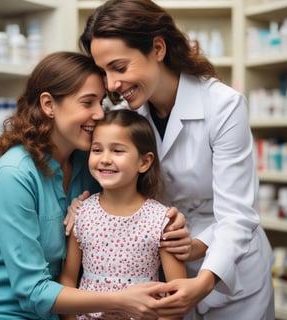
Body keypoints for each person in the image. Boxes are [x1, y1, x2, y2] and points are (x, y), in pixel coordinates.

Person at [78, 1, 275, 319]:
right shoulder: (125, 115)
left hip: (231, 272)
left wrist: (203, 273)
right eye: (104, 72)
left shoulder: (222, 106)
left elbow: (238, 215)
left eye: (119, 67)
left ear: (157, 48)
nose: (112, 85)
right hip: (164, 268)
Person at [0, 51, 176, 320]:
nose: (99, 113)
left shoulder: (88, 164)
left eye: (100, 102)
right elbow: (31, 291)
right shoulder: (15, 174)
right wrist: (120, 300)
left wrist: (170, 226)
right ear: (48, 105)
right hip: (6, 313)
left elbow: (125, 214)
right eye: (88, 102)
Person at [59, 109, 188, 320]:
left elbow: (178, 296)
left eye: (118, 151)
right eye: (97, 149)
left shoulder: (162, 221)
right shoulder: (82, 213)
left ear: (144, 162)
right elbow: (68, 279)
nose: (105, 159)